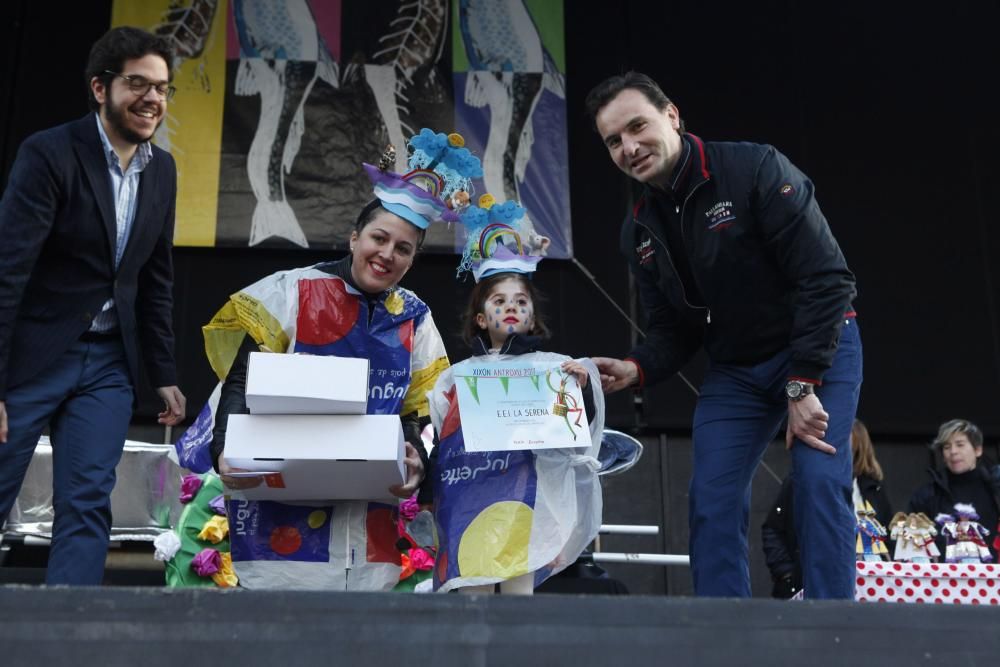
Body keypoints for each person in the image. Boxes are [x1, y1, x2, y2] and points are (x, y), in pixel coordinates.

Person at [584, 71, 862, 598]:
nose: (629, 147)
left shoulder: (754, 167)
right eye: (613, 141)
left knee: (820, 482)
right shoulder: (637, 230)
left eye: (637, 126)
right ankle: (726, 639)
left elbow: (828, 279)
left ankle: (835, 632)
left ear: (672, 115)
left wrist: (802, 383)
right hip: (736, 370)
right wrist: (636, 367)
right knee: (710, 499)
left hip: (817, 348)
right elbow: (673, 330)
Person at [179, 129, 478, 589]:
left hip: (366, 506)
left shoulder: (415, 318)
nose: (387, 255)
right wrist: (225, 452)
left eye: (403, 249)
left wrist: (415, 457)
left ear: (414, 259)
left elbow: (414, 413)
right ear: (355, 237)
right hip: (279, 495)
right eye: (379, 238)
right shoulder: (292, 291)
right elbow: (243, 380)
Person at [0, 27, 186, 585]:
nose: (153, 98)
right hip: (33, 355)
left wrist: (164, 373)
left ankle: (68, 634)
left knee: (86, 505)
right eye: (138, 83)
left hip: (107, 364)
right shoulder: (50, 153)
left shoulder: (163, 170)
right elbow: (8, 272)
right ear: (101, 88)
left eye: (162, 87)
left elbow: (155, 279)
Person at [427, 197, 603, 594]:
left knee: (518, 602)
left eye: (521, 302)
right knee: (472, 597)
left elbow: (576, 437)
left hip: (527, 501)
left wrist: (582, 391)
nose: (511, 308)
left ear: (531, 317)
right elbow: (442, 439)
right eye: (499, 301)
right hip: (469, 499)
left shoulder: (553, 368)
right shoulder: (456, 377)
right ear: (480, 317)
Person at [762, 419, 891, 598]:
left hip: (865, 586)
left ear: (859, 447)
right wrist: (786, 573)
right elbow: (772, 530)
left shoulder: (874, 489)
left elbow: (887, 535)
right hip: (804, 582)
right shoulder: (799, 481)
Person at [908, 419, 1000, 561]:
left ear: (978, 450)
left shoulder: (995, 487)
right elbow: (909, 539)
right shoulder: (927, 494)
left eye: (960, 445)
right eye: (946, 447)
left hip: (992, 578)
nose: (953, 451)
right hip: (940, 578)